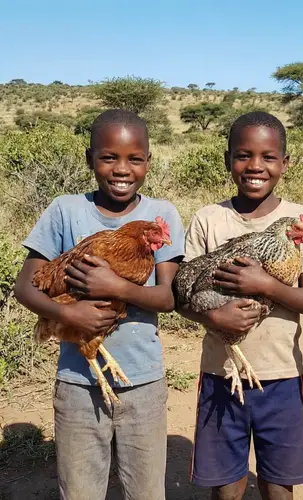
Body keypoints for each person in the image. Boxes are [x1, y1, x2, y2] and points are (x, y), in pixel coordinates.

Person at [14, 109, 185, 500]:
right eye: (109, 157)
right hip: (77, 385)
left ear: (148, 162)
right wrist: (67, 312)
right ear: (90, 158)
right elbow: (26, 288)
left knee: (145, 490)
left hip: (143, 381)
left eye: (134, 159)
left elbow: (167, 297)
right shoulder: (65, 210)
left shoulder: (163, 215)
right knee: (80, 490)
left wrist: (115, 286)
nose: (121, 169)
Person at [180, 111, 303, 500]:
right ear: (228, 160)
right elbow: (183, 294)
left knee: (279, 483)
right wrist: (212, 315)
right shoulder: (209, 219)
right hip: (221, 372)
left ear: (285, 163)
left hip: (282, 374)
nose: (255, 166)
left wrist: (265, 284)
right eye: (244, 155)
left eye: (268, 157)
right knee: (226, 485)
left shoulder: (302, 219)